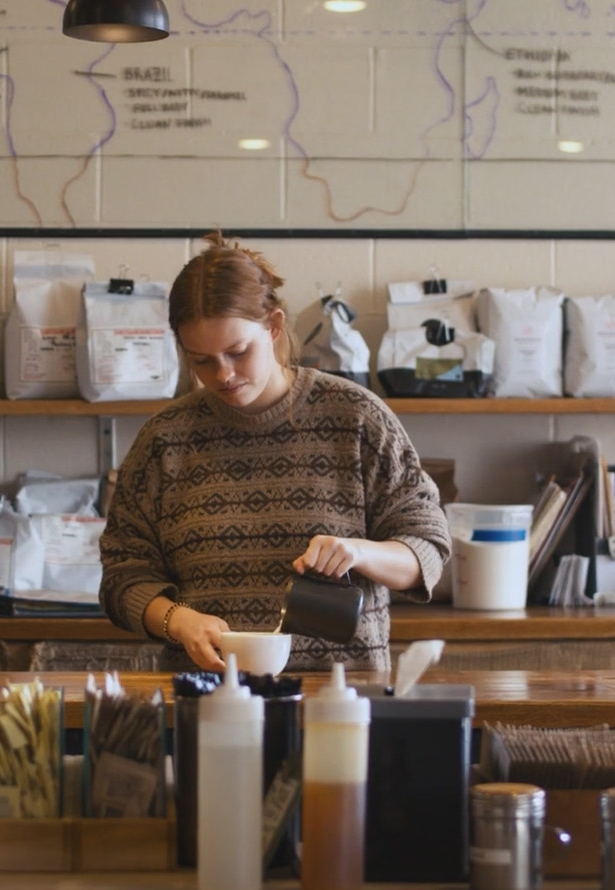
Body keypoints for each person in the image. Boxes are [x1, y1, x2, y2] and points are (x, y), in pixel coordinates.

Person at [99, 234, 450, 672]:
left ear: (275, 327)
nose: (223, 375)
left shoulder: (356, 418)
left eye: (238, 352)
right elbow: (122, 577)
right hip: (207, 700)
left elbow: (428, 550)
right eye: (202, 361)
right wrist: (177, 620)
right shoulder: (165, 441)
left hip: (339, 701)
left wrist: (359, 552)